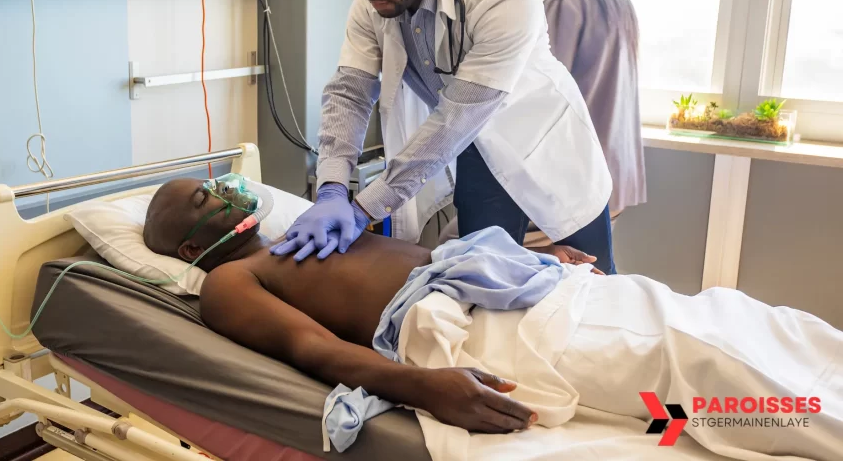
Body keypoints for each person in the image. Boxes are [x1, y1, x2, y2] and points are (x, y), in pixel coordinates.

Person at [143, 178, 843, 458]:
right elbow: (314, 350)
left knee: (733, 318)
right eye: (202, 199)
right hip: (488, 329)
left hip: (519, 285)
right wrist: (427, 385)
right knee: (695, 357)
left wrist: (536, 253)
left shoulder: (302, 228)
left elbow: (424, 251)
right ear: (186, 246)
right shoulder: (231, 282)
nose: (220, 189)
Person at [269, 0, 618, 273]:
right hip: (476, 156)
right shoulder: (371, 6)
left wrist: (363, 208)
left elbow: (456, 119)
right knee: (483, 288)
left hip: (550, 153)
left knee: (596, 288)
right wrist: (332, 186)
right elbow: (350, 93)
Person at [519, 0, 646, 229]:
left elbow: (540, 99)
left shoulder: (565, 2)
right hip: (614, 181)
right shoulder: (618, 2)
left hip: (576, 184)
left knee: (459, 242)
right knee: (588, 273)